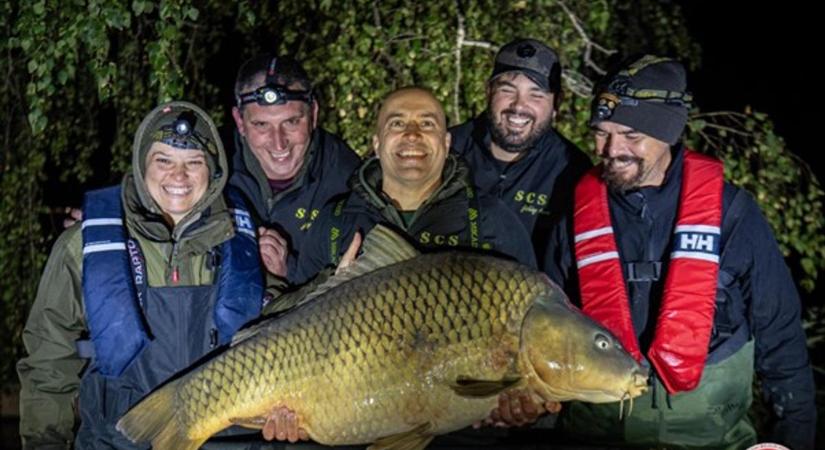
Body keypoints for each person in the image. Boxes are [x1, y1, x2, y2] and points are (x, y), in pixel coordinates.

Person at [543, 55, 816, 449]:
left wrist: (793, 435)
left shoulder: (732, 213)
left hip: (712, 438)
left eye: (631, 136)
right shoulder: (574, 217)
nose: (611, 149)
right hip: (597, 434)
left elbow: (780, 330)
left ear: (667, 132)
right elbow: (543, 325)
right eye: (601, 133)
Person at [17, 101, 264, 449]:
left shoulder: (244, 241)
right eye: (163, 161)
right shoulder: (84, 244)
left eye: (194, 163)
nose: (178, 177)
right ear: (140, 164)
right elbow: (48, 358)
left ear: (214, 172)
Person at [292, 86, 537, 285]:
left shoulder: (493, 223)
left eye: (427, 124)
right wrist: (329, 290)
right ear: (377, 144)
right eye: (397, 124)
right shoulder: (332, 222)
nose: (412, 135)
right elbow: (285, 320)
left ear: (447, 142)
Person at [450, 38, 592, 265]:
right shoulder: (445, 149)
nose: (518, 106)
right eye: (507, 90)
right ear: (488, 92)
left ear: (556, 104)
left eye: (536, 95)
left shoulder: (573, 170)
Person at [230, 53, 361, 279]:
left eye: (291, 122)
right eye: (261, 125)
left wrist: (288, 273)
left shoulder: (349, 179)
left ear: (314, 115)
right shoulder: (210, 168)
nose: (279, 142)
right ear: (240, 122)